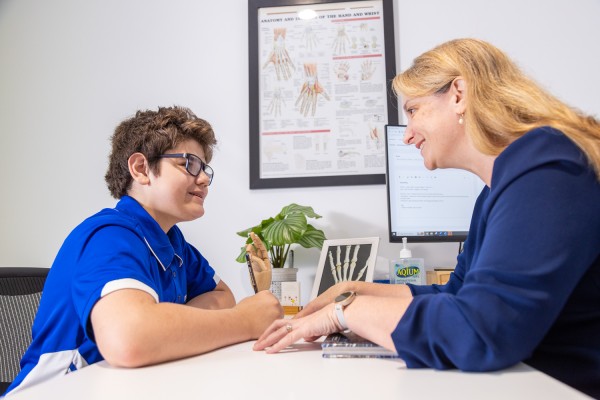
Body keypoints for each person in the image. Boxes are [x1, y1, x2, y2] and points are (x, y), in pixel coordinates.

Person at [254, 38, 600, 398]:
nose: (406, 136)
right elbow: (457, 294)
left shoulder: (549, 170)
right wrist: (351, 291)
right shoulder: (496, 191)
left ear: (458, 94)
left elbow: (480, 330)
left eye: (413, 110)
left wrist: (347, 312)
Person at [5, 106, 283, 397]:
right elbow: (128, 339)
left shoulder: (174, 244)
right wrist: (246, 321)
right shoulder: (109, 236)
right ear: (140, 169)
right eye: (189, 164)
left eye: (204, 169)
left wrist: (163, 325)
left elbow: (222, 297)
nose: (202, 179)